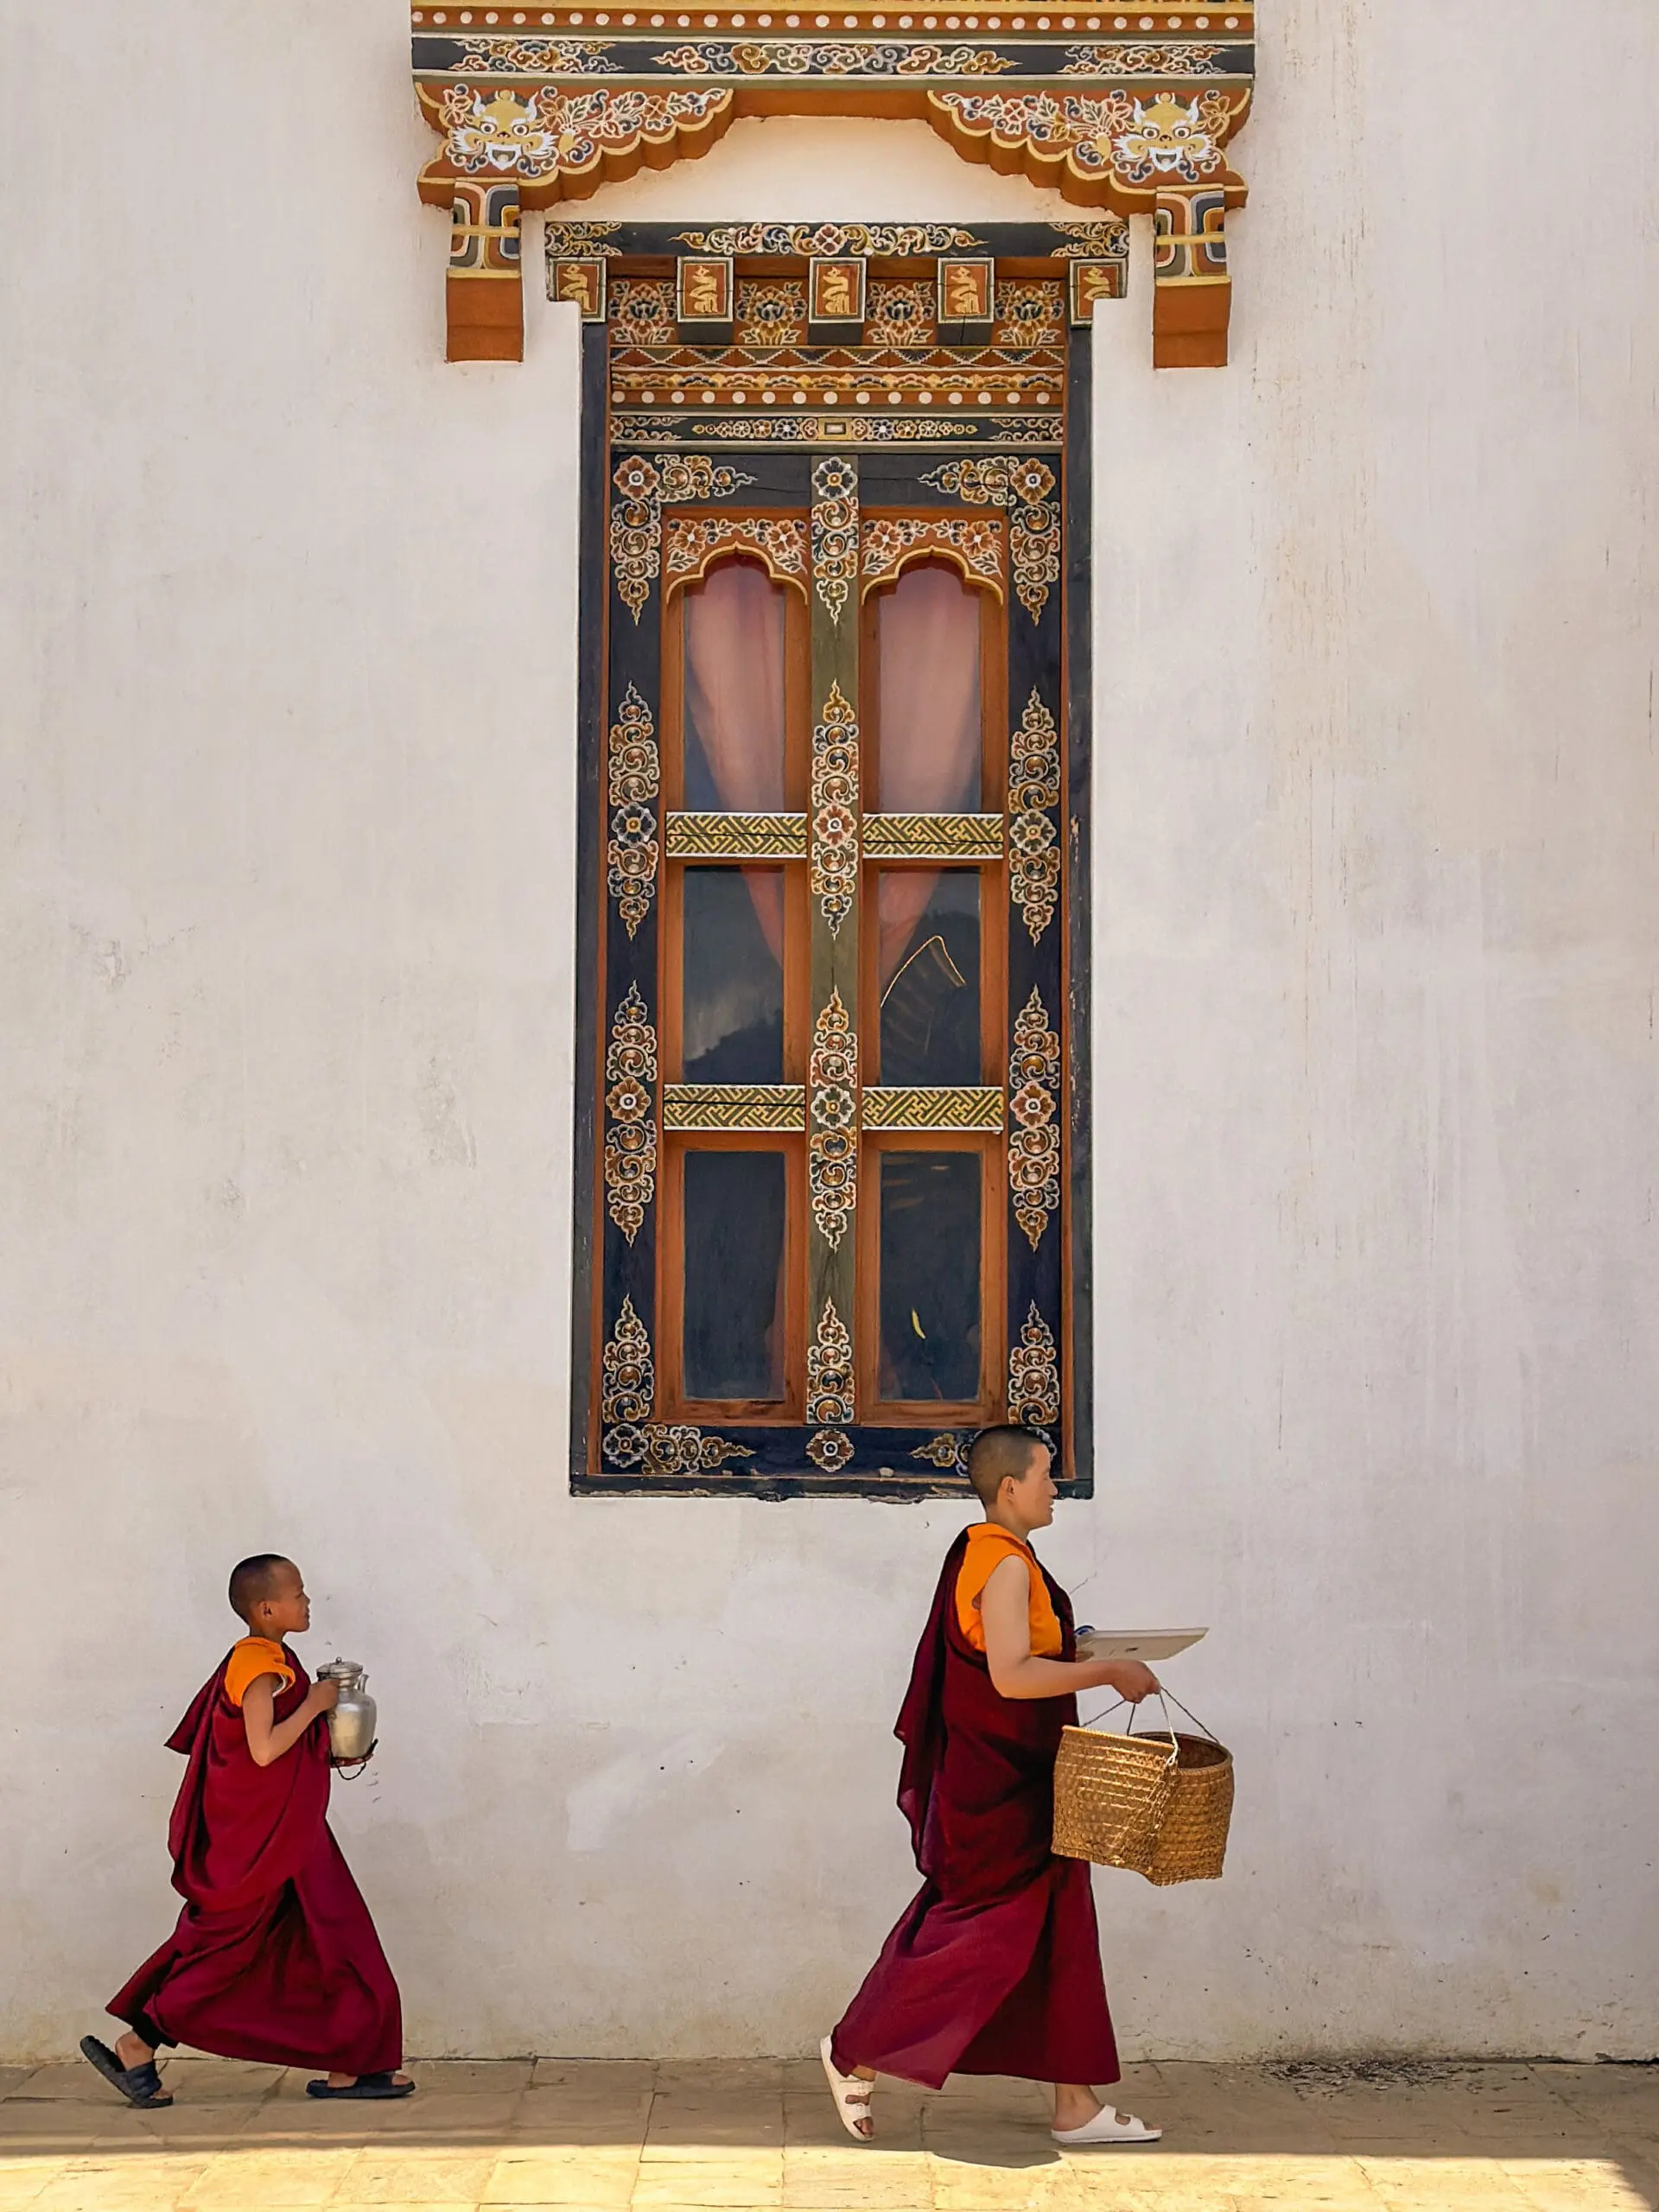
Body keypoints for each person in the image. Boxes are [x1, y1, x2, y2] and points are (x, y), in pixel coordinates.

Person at [822, 1427, 1162, 2147]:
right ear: (1009, 1487)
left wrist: (1085, 1649)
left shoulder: (993, 1554)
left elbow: (1019, 1653)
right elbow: (1010, 1676)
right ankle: (851, 2047)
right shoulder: (1001, 1564)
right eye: (1044, 1475)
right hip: (999, 1786)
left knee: (1058, 1928)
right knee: (972, 1935)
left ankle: (1075, 2103)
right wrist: (1107, 1672)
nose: (1053, 1489)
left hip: (1026, 1772)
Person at [79, 1555, 411, 2108]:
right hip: (261, 1844)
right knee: (231, 1953)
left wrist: (330, 1749)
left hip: (289, 1833)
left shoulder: (273, 1657)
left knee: (335, 1941)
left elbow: (273, 1751)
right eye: (298, 1593)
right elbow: (262, 1749)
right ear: (266, 1608)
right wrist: (315, 1705)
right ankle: (139, 2042)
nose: (307, 1602)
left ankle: (353, 2067)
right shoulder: (257, 1665)